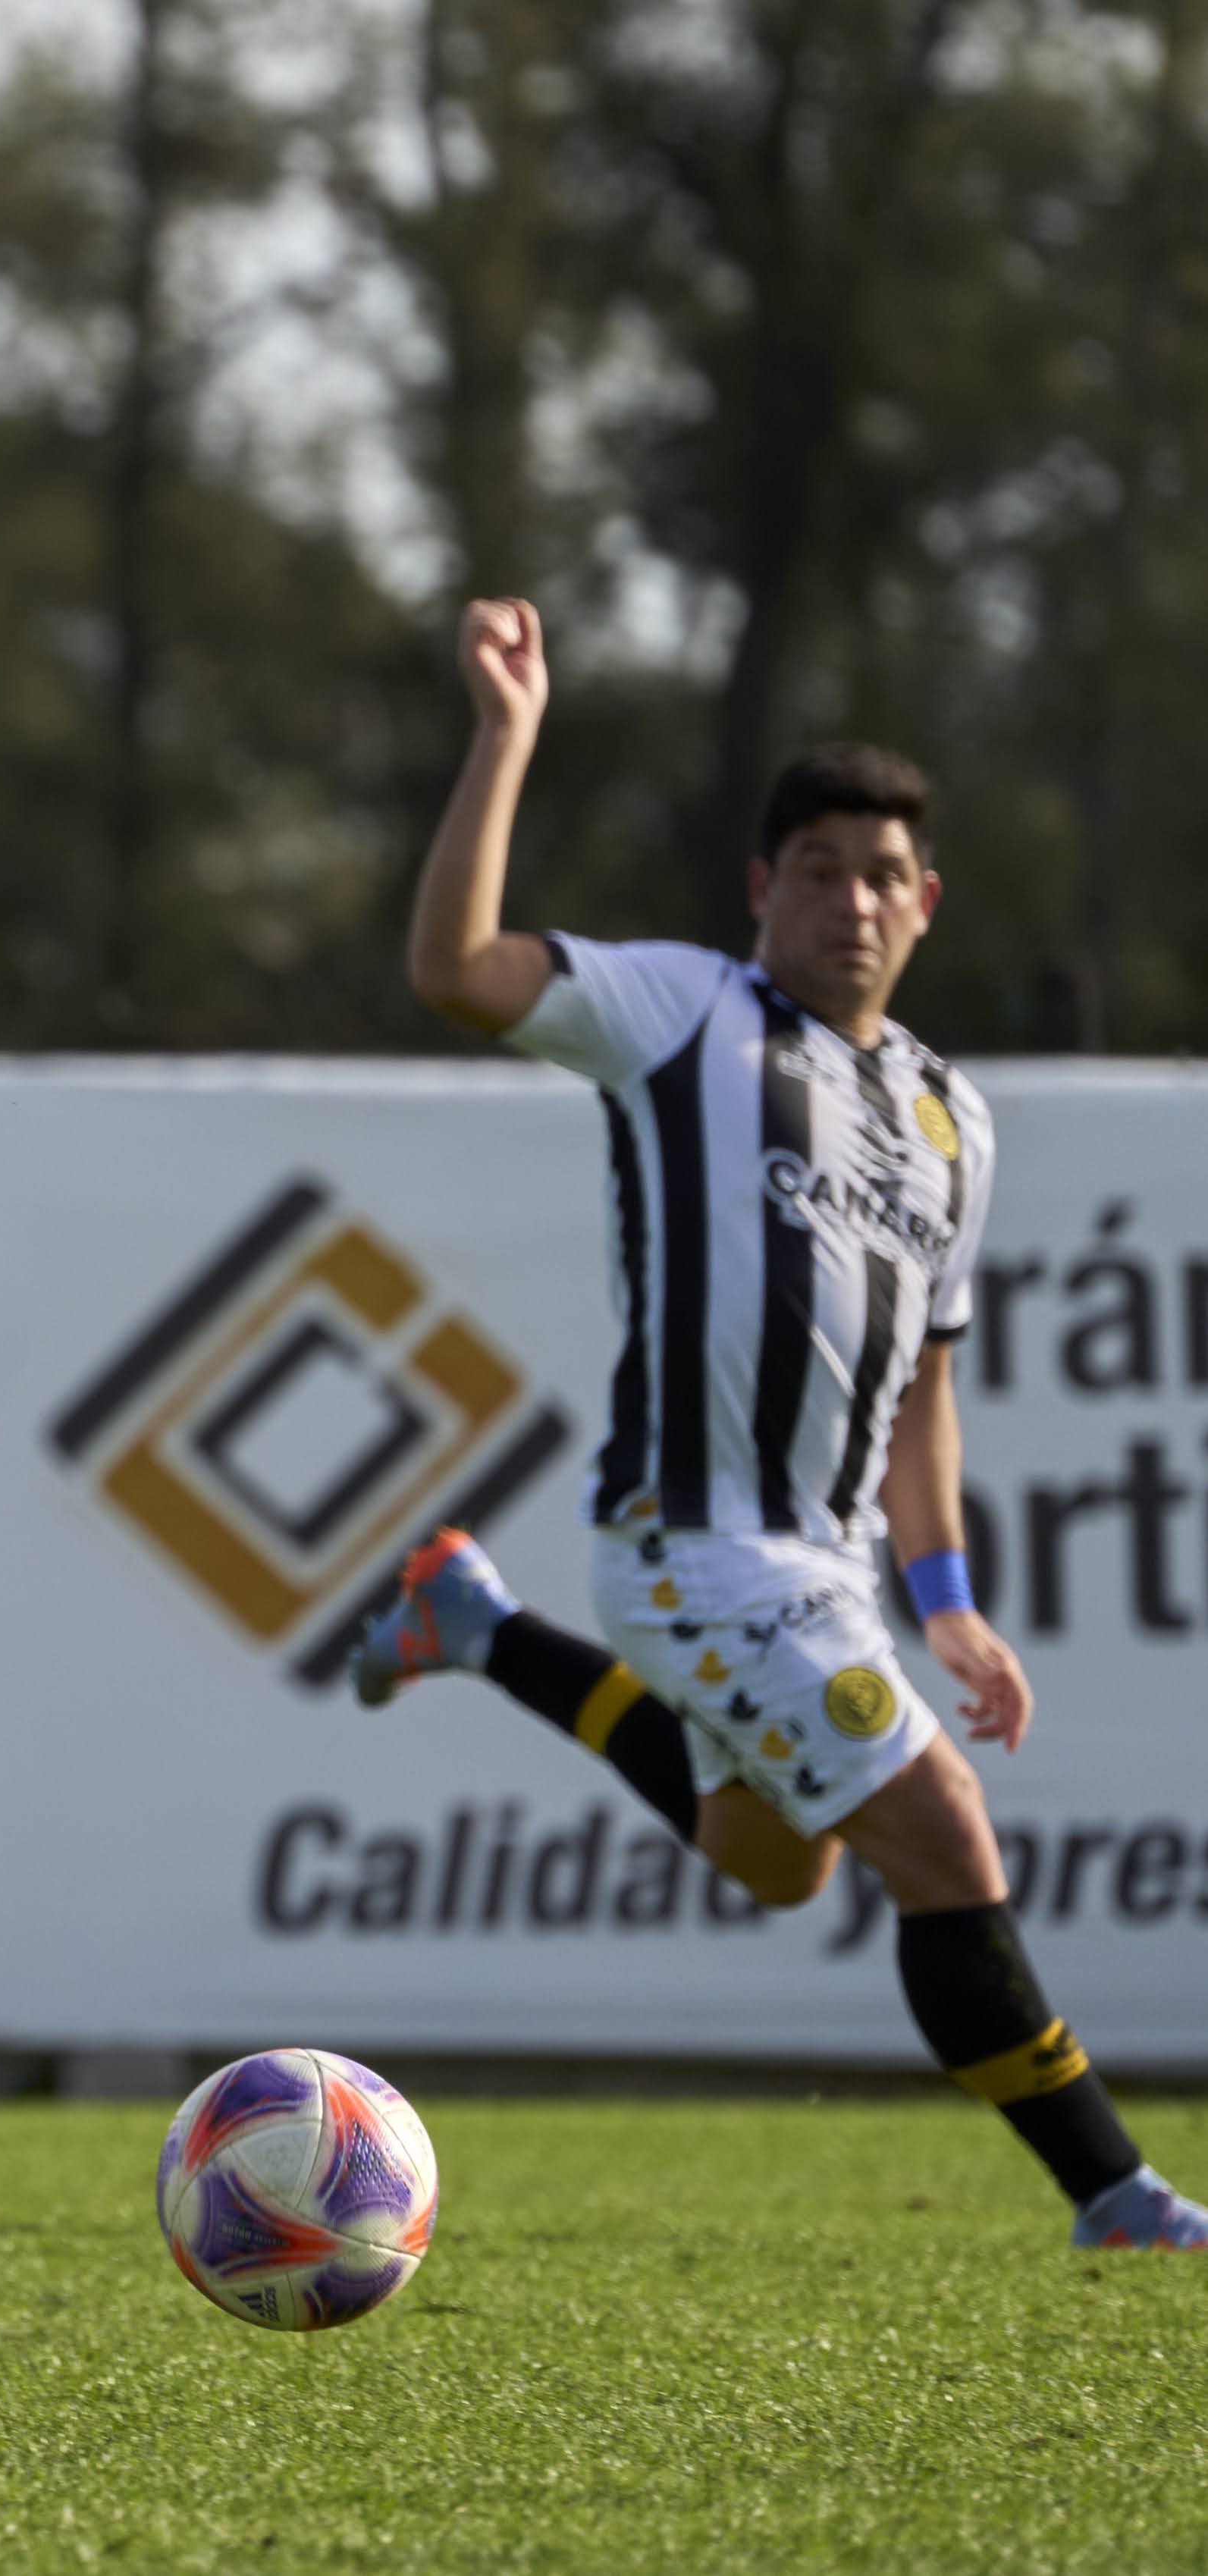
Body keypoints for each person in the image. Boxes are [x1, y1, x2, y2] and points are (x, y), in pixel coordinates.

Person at [353, 595, 1205, 2254]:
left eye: (880, 874)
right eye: (815, 867)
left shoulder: (949, 1120)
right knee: (938, 1830)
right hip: (685, 1544)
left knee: (776, 1863)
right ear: (761, 891)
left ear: (925, 903)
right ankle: (1111, 2189)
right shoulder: (679, 1016)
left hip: (822, 1570)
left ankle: (467, 1621)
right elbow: (449, 968)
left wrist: (945, 1600)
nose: (849, 900)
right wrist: (502, 736)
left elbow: (923, 1390)